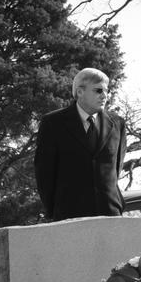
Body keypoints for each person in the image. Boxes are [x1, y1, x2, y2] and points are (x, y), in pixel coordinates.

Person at [33, 68, 126, 221]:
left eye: (106, 91)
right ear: (80, 92)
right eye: (98, 90)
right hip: (69, 215)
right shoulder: (53, 123)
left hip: (110, 214)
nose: (105, 95)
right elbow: (44, 174)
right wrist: (55, 211)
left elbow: (117, 168)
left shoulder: (117, 123)